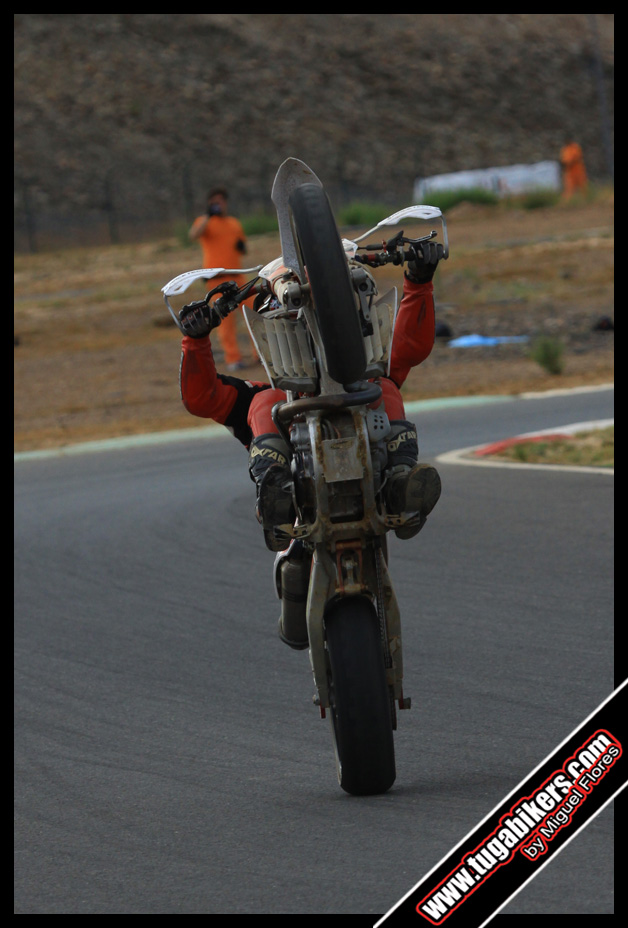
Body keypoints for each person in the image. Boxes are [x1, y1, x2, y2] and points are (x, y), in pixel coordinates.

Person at [177, 242, 443, 644]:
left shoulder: (370, 374)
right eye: (295, 317)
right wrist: (195, 341)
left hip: (376, 484)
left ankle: (402, 480)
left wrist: (419, 280)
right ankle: (276, 489)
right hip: (301, 517)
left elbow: (410, 346)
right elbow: (203, 398)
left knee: (383, 386)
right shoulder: (263, 398)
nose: (309, 327)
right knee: (265, 402)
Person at [188, 186, 252, 371]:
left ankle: (260, 355)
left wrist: (241, 246)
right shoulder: (204, 222)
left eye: (221, 201)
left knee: (253, 313)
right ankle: (233, 358)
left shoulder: (233, 223)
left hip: (238, 276)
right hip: (217, 279)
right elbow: (193, 235)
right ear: (209, 204)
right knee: (225, 321)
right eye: (214, 202)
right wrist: (208, 216)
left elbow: (243, 247)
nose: (218, 205)